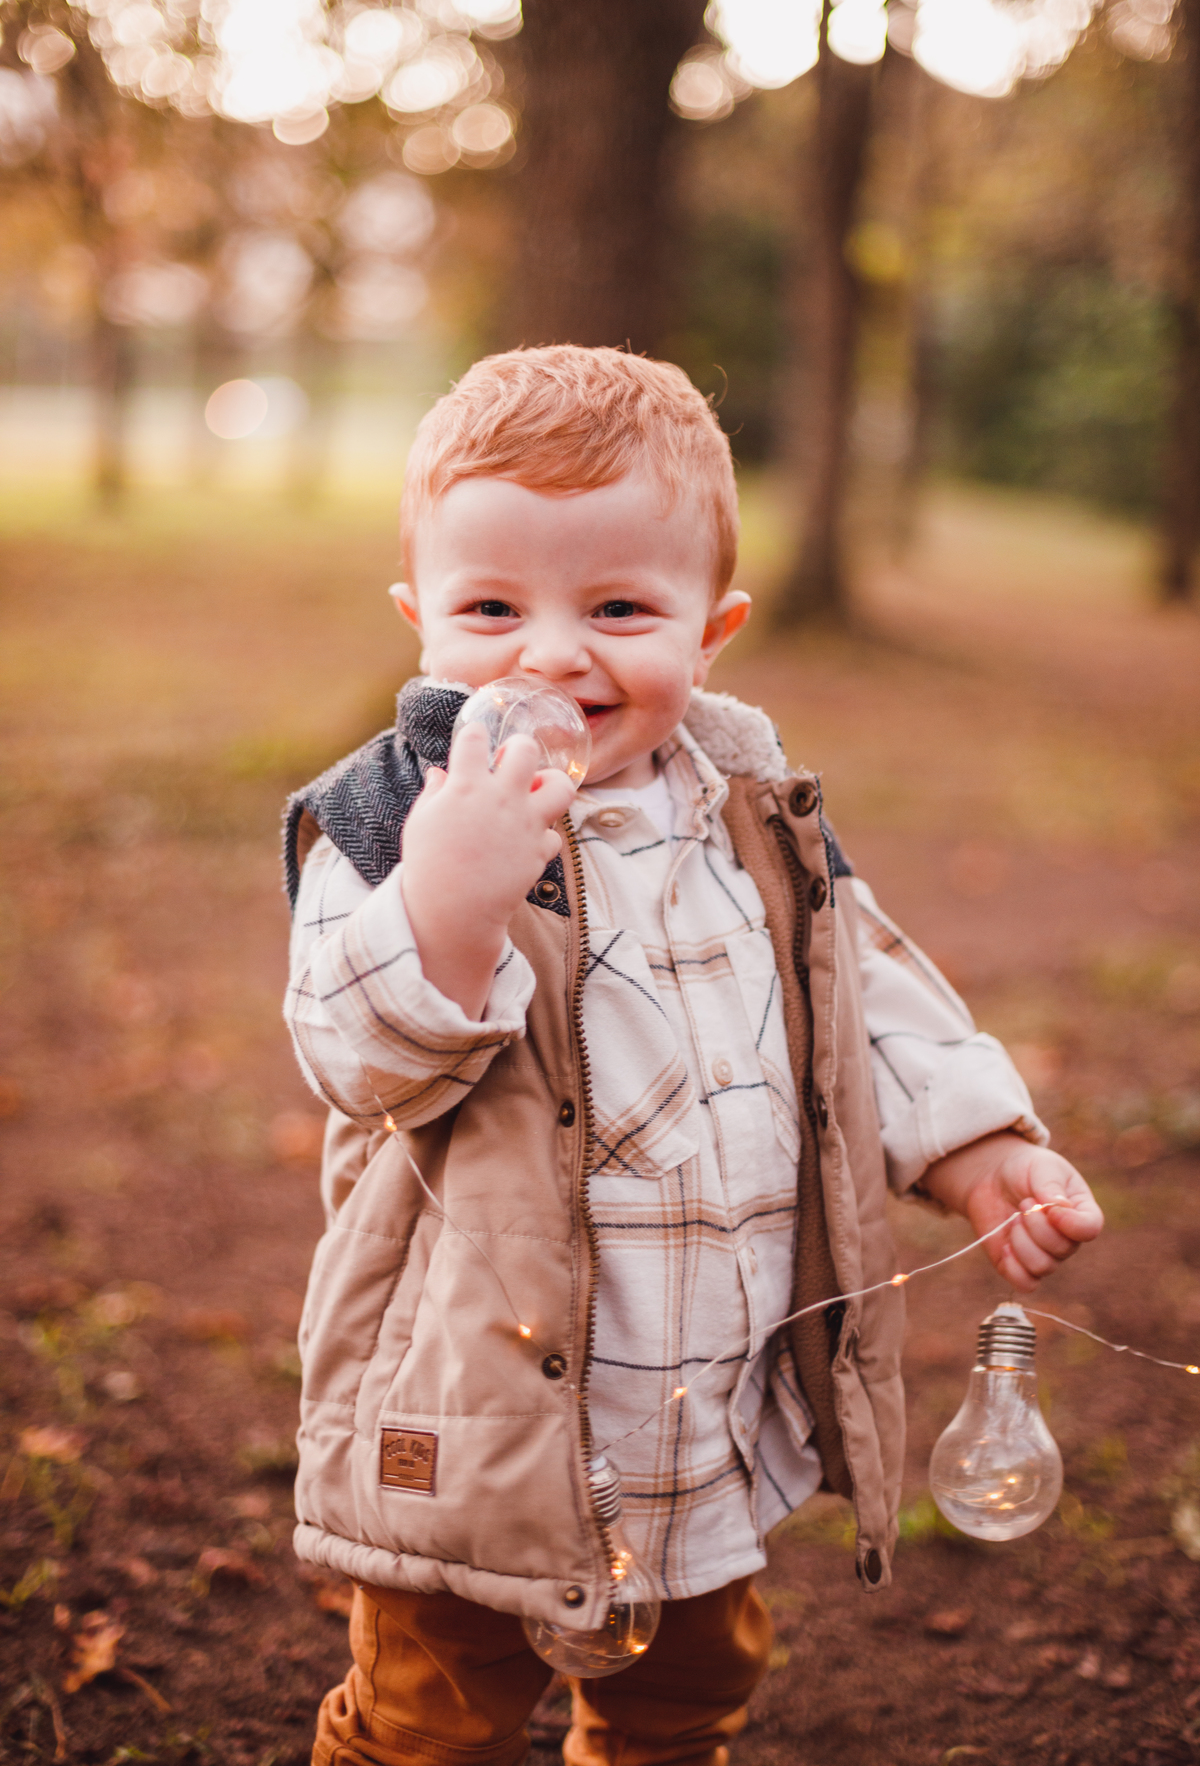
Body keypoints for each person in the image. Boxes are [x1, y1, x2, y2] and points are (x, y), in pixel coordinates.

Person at [282, 345, 1103, 1766]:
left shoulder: (749, 815)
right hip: (475, 1404)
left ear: (708, 627)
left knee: (686, 1689)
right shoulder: (388, 820)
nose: (549, 655)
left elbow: (863, 1001)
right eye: (491, 608)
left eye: (615, 607)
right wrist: (451, 901)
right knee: (433, 1714)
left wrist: (982, 1147)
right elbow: (353, 1052)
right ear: (421, 620)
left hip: (698, 1390)